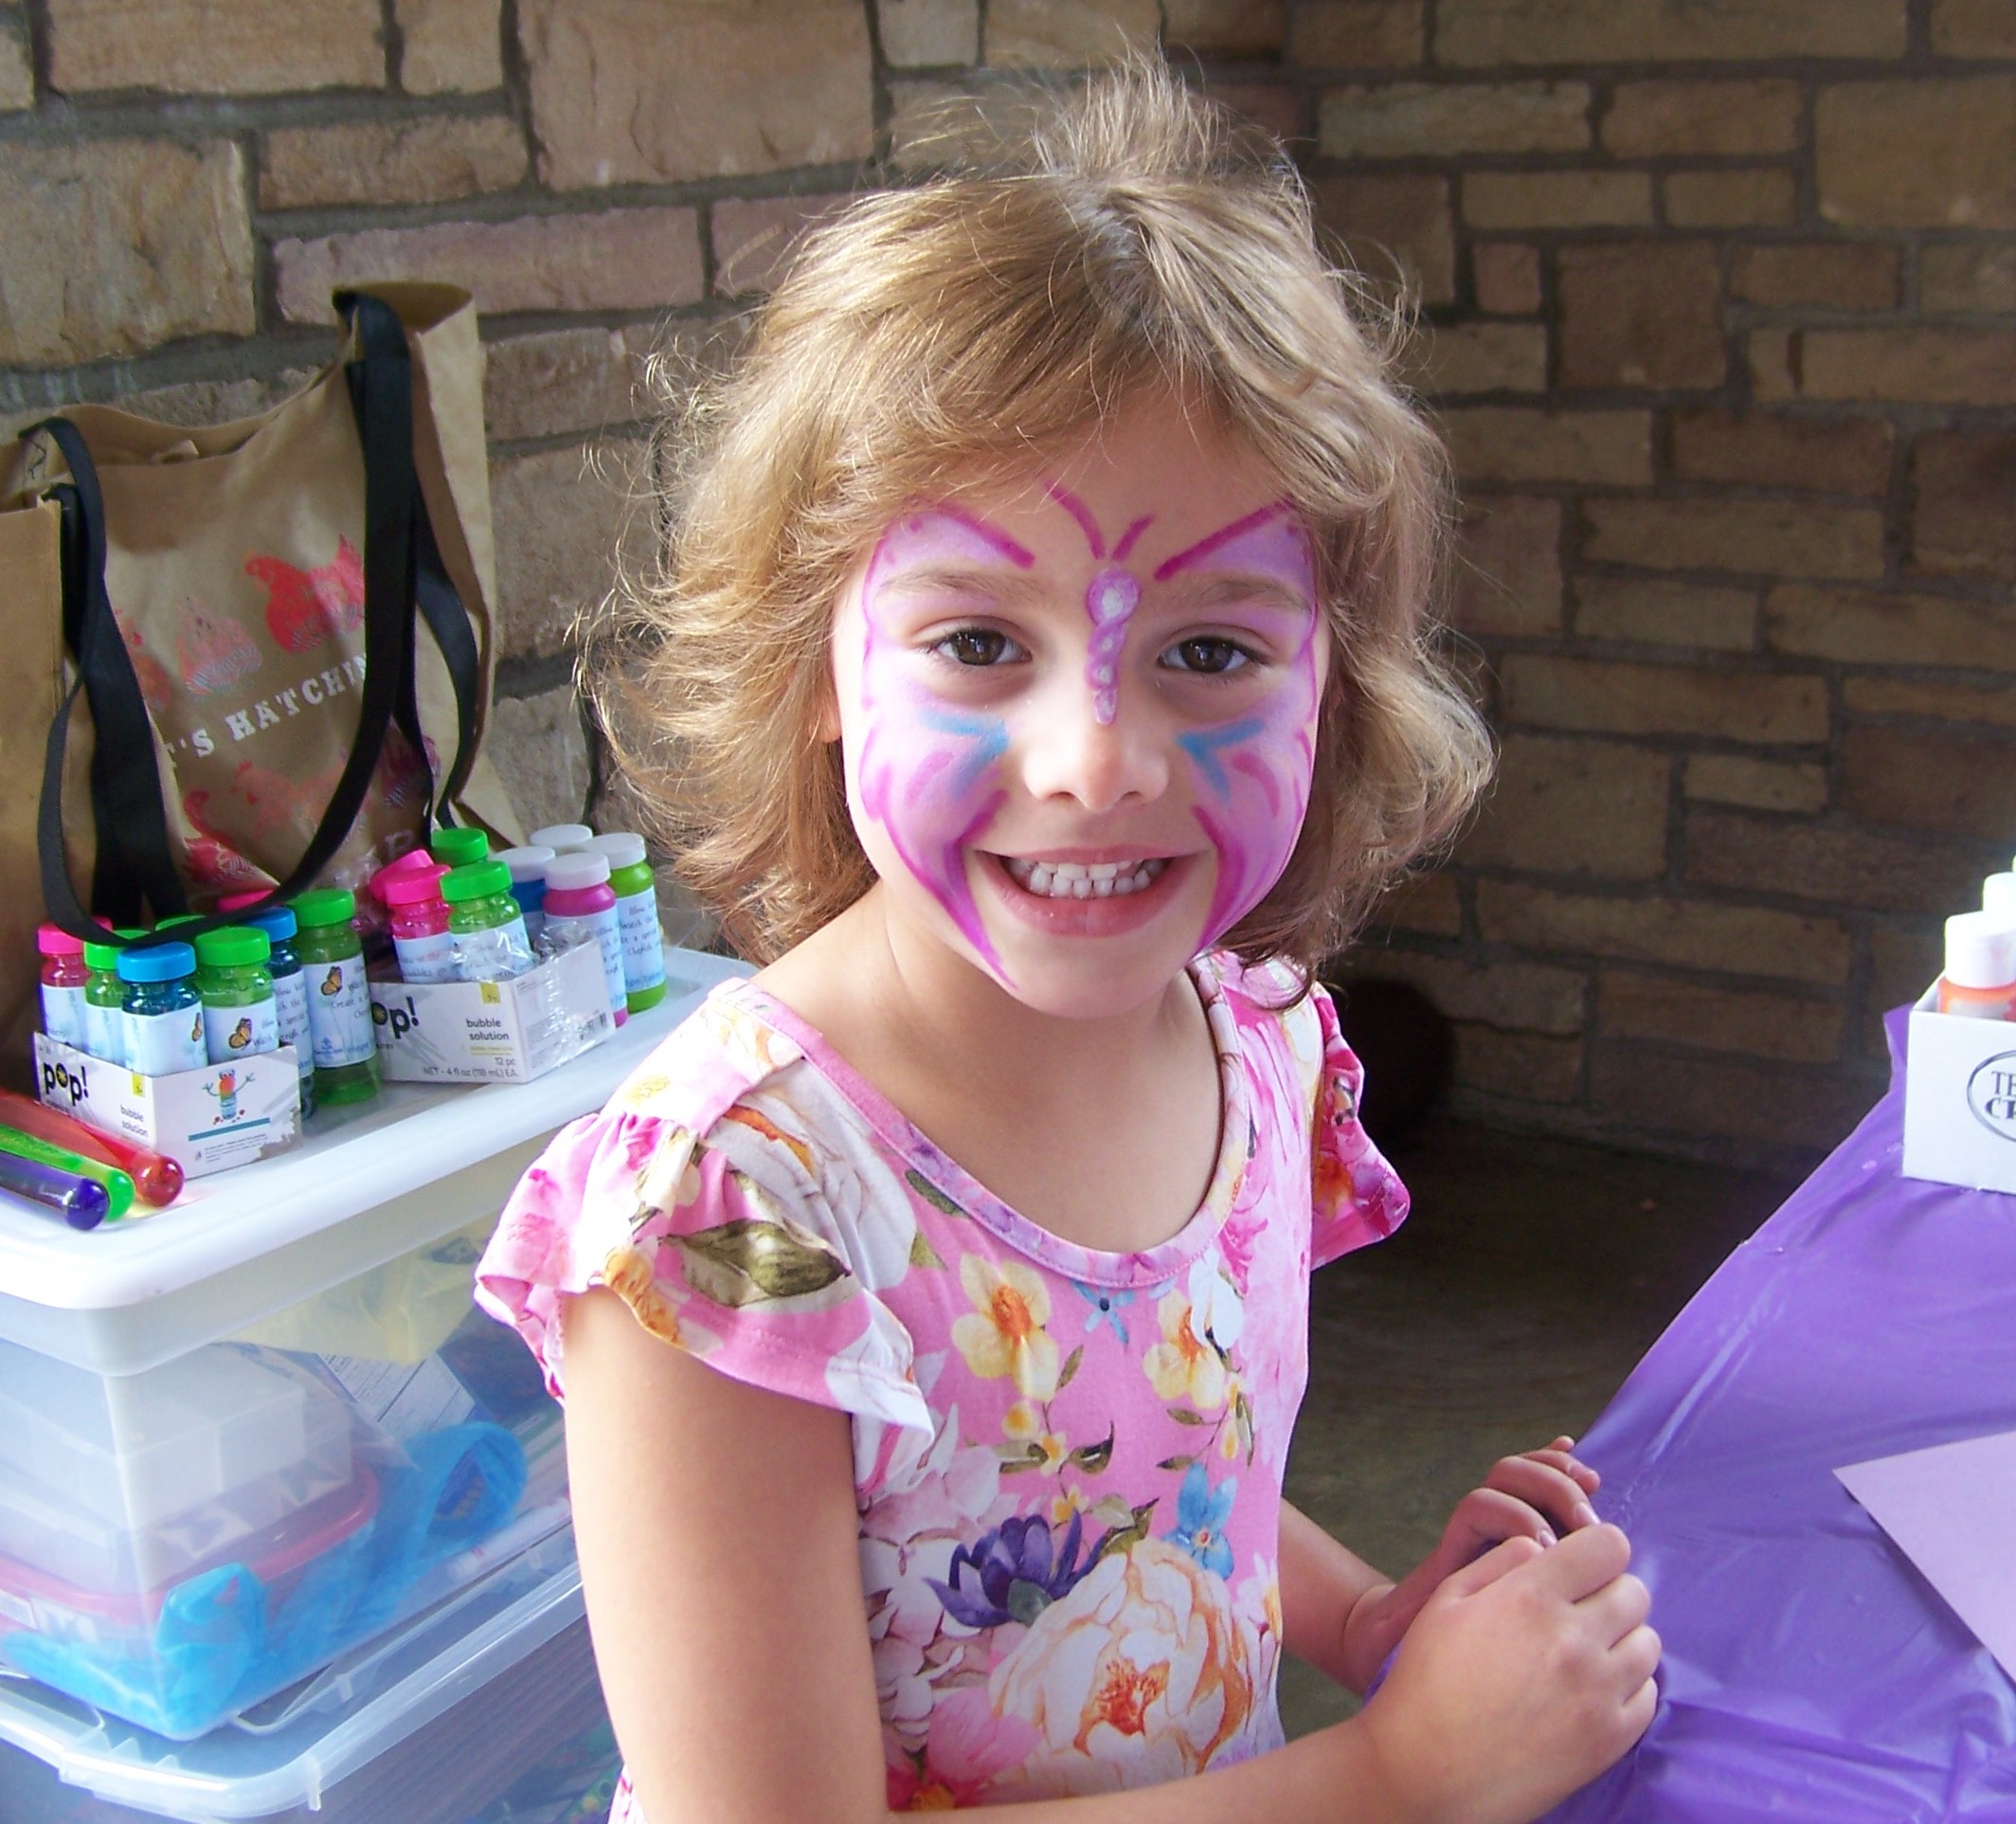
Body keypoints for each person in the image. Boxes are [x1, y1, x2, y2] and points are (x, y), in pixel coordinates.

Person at [476, 62, 1659, 1824]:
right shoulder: (725, 1228)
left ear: (1332, 682)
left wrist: (1369, 1620)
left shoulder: (1248, 1038)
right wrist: (1400, 1775)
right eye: (974, 644)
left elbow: (1154, 1490)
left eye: (1209, 651)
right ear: (818, 667)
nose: (1096, 761)